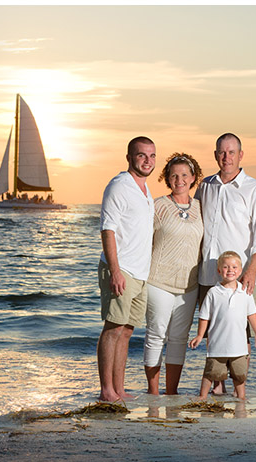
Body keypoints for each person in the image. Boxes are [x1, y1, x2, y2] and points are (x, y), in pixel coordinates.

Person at [195, 133, 256, 393]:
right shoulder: (205, 186)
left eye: (231, 152)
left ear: (241, 155)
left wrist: (251, 270)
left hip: (239, 277)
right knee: (213, 330)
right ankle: (218, 385)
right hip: (208, 273)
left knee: (242, 333)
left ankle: (240, 386)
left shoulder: (254, 189)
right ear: (216, 155)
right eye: (221, 152)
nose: (226, 157)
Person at [97, 136, 156, 402]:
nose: (147, 160)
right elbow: (107, 229)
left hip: (140, 273)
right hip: (122, 270)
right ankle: (106, 390)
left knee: (127, 330)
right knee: (113, 328)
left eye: (152, 155)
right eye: (142, 155)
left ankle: (119, 389)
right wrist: (115, 270)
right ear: (130, 157)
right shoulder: (119, 186)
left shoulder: (144, 190)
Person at [144, 153, 204, 395]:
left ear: (193, 178)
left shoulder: (201, 207)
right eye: (174, 175)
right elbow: (143, 242)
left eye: (184, 175)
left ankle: (171, 392)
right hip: (158, 281)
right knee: (156, 334)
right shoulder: (157, 205)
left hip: (189, 284)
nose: (179, 180)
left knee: (179, 338)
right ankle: (153, 392)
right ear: (167, 178)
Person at [189, 251, 256, 400]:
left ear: (241, 270)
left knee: (239, 375)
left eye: (234, 267)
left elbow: (252, 314)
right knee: (211, 373)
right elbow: (204, 316)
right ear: (218, 270)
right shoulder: (213, 292)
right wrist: (199, 335)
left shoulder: (245, 292)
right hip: (217, 346)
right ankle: (202, 397)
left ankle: (241, 399)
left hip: (239, 347)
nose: (230, 270)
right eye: (226, 267)